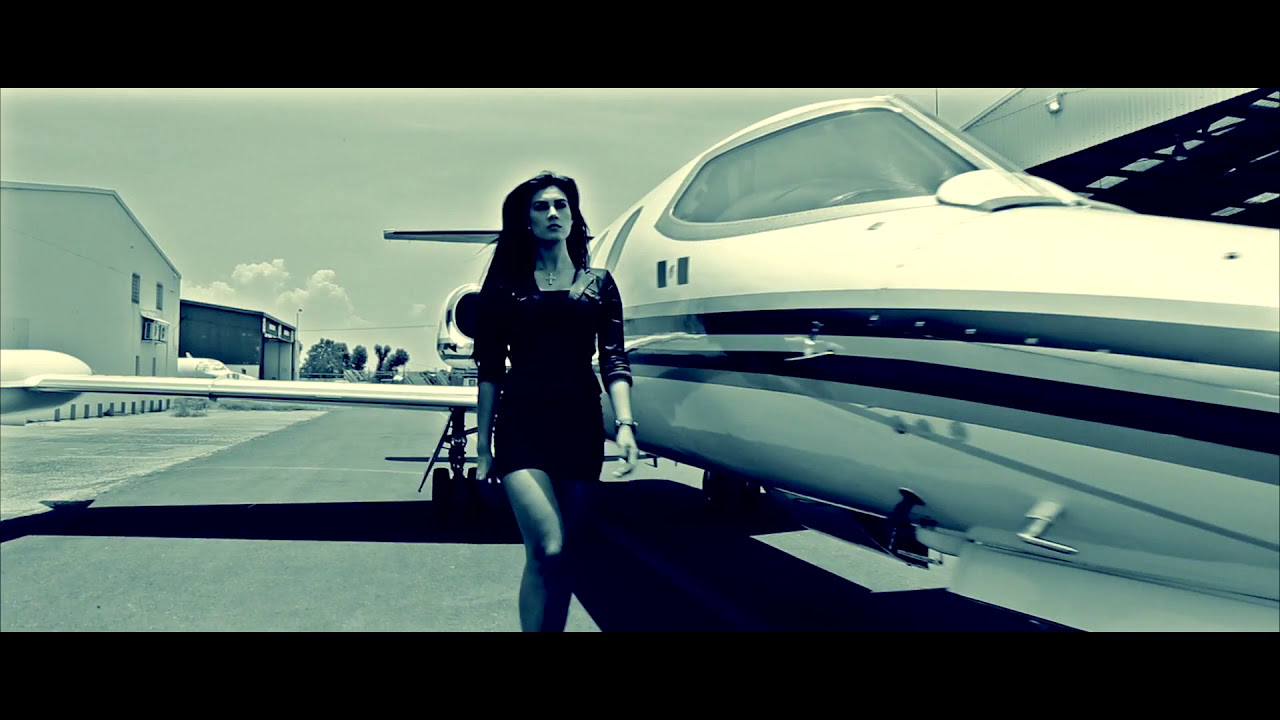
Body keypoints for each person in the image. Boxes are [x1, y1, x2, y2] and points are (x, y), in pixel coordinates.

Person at [472, 171, 638, 632]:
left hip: (580, 426)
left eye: (561, 205)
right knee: (548, 548)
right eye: (541, 206)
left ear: (573, 216)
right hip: (521, 425)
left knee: (565, 557)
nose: (552, 213)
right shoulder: (505, 288)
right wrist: (483, 448)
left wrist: (625, 424)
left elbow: (614, 359)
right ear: (526, 220)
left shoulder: (599, 284)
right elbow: (490, 371)